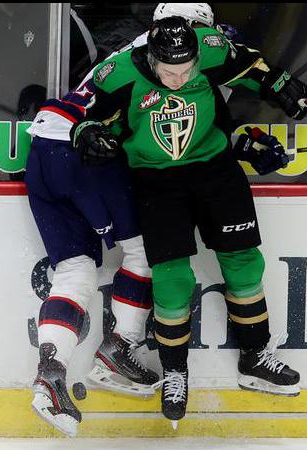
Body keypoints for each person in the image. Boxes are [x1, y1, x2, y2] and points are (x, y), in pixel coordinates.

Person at [72, 16, 307, 426]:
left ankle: (256, 356)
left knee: (243, 262)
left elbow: (251, 68)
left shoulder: (211, 47)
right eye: (170, 73)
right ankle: (175, 372)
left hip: (216, 171)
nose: (180, 80)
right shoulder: (119, 74)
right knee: (172, 278)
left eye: (187, 71)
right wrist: (89, 136)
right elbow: (85, 118)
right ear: (152, 58)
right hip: (156, 182)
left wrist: (281, 85)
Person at [25, 4, 217, 438]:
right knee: (147, 249)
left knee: (74, 270)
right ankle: (119, 348)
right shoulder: (165, 63)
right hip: (84, 152)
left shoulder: (138, 52)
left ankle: (50, 376)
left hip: (44, 147)